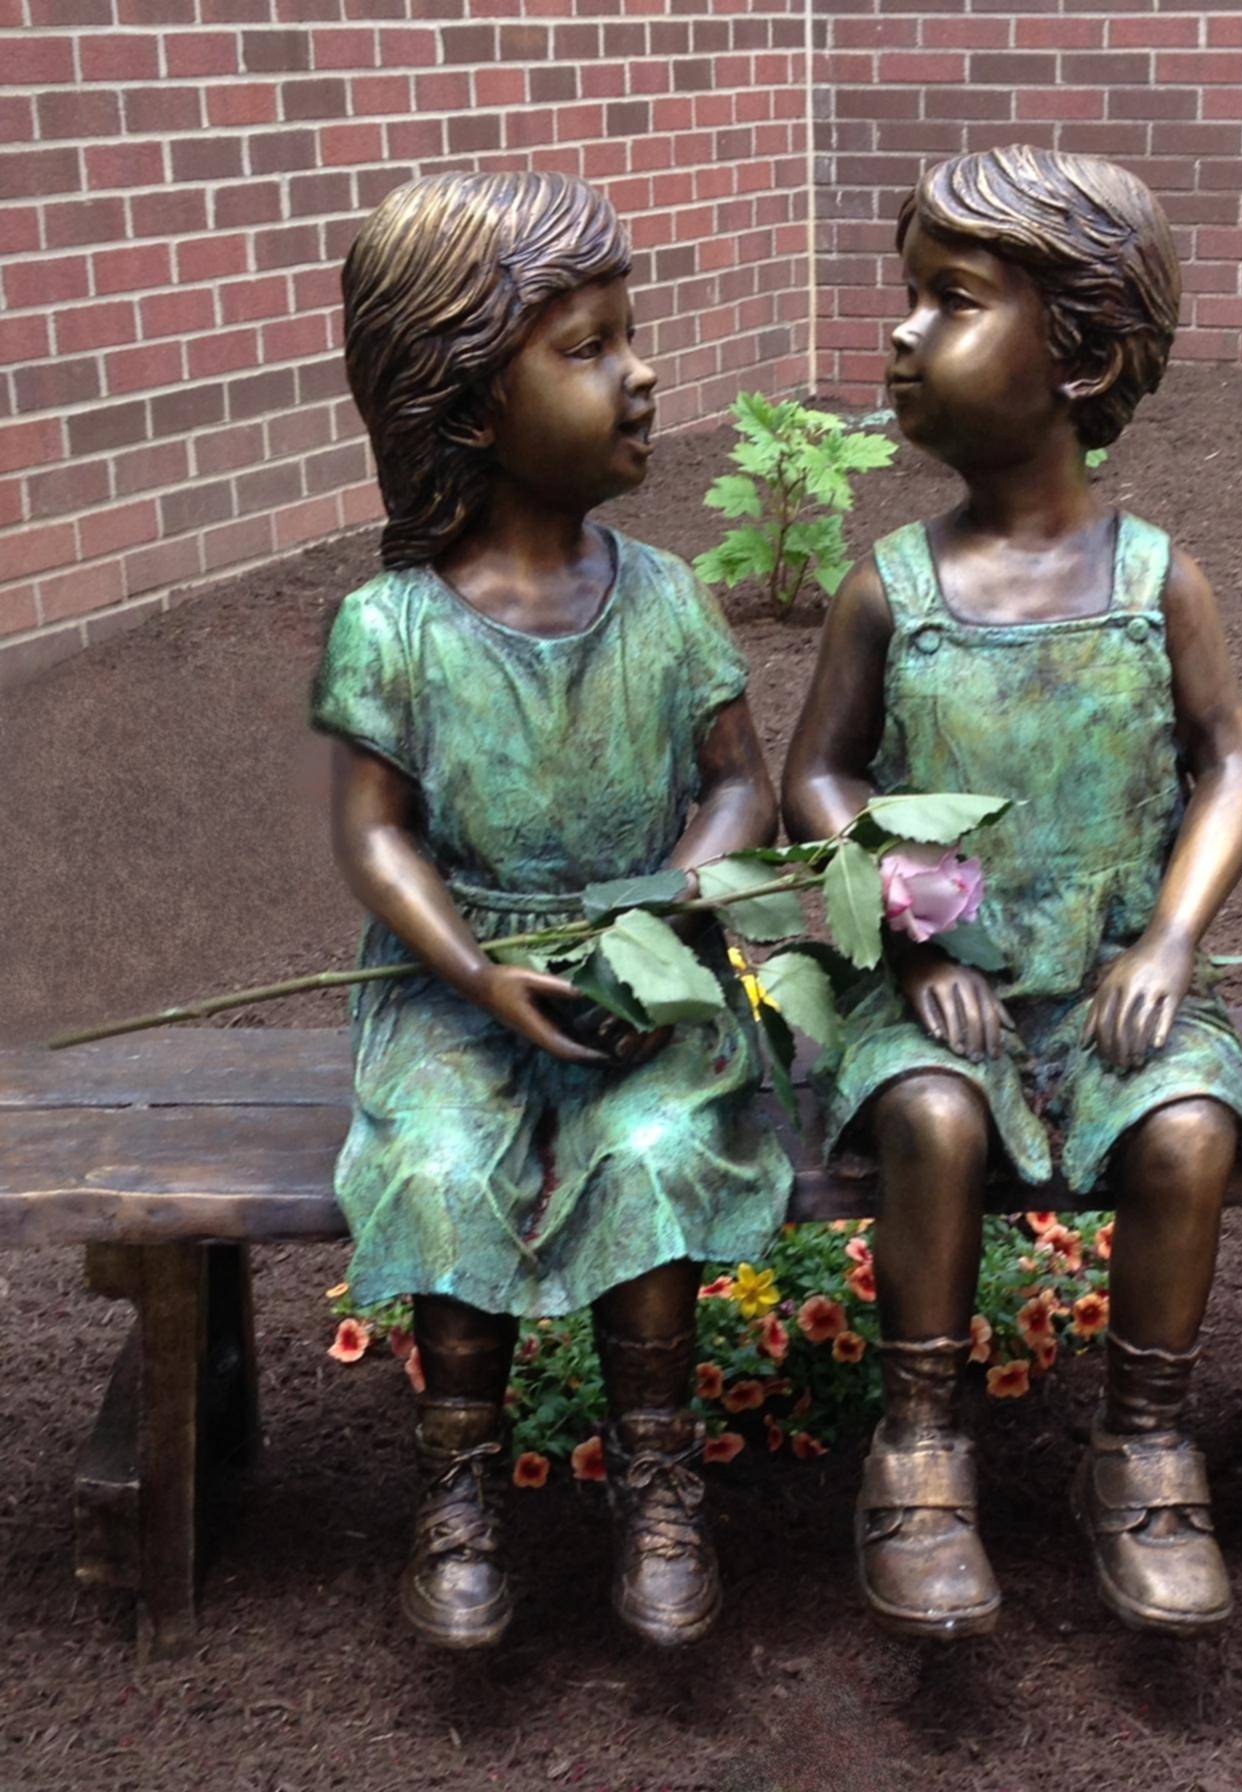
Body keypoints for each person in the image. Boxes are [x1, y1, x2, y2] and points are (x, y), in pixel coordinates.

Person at [782, 146, 1242, 1641]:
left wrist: (1175, 938)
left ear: (1081, 358)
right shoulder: (894, 588)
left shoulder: (1155, 580)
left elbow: (1233, 760)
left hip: (1114, 979)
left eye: (950, 302)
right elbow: (821, 777)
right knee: (931, 1121)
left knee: (1188, 1131)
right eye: (909, 299)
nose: (902, 335)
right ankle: (920, 1450)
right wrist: (916, 927)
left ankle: (1144, 1448)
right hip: (948, 994)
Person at [312, 171, 792, 1651]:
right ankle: (458, 1487)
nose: (642, 372)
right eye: (588, 347)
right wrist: (478, 970)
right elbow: (377, 838)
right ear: (464, 403)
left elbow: (740, 786)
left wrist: (680, 897)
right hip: (457, 984)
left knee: (648, 1150)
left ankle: (657, 1478)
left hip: (636, 978)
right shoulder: (392, 628)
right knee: (444, 1162)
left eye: (629, 335)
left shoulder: (662, 596)